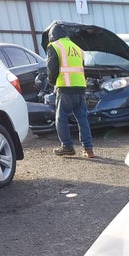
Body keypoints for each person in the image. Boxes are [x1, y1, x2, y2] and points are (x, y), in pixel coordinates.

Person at [46, 23, 95, 158]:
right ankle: (88, 149)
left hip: (65, 87)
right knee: (82, 119)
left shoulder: (54, 46)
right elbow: (82, 68)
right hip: (80, 87)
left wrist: (52, 82)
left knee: (61, 118)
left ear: (52, 35)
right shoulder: (77, 48)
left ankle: (67, 146)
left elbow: (52, 68)